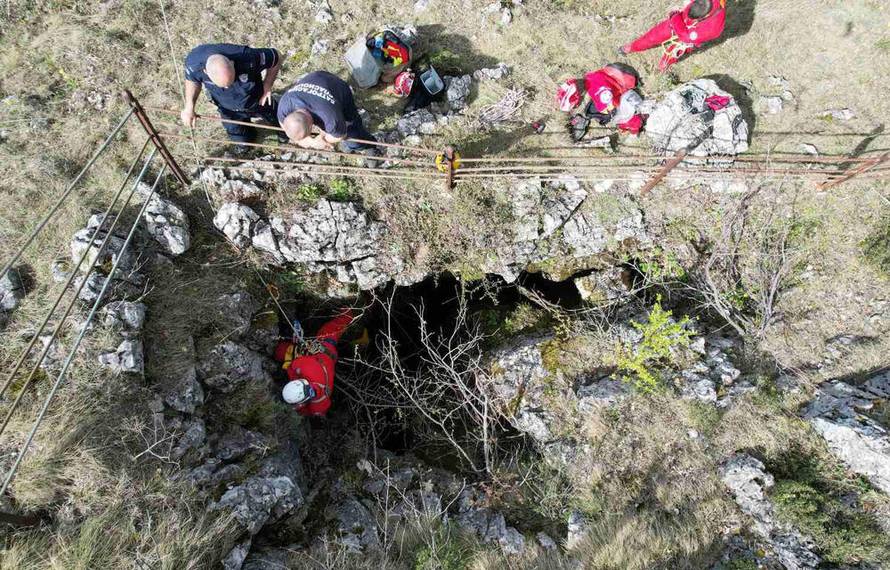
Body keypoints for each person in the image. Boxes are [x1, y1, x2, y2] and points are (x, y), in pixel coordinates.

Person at [181, 43, 284, 143]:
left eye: (230, 81)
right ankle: (246, 140)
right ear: (205, 71)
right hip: (227, 109)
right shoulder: (194, 65)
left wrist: (267, 86)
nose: (227, 87)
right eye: (222, 85)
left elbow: (277, 57)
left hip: (257, 99)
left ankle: (283, 133)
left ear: (232, 63)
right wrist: (189, 107)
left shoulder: (247, 56)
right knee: (241, 140)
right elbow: (192, 80)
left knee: (281, 122)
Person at [277, 71, 380, 161]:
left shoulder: (330, 117)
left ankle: (368, 145)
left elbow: (339, 135)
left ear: (310, 125)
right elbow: (283, 124)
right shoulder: (284, 104)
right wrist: (312, 142)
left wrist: (322, 140)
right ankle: (353, 144)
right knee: (334, 128)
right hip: (317, 77)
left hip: (338, 87)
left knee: (351, 130)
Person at [273, 309, 355, 418]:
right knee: (334, 328)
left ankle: (349, 313)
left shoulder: (319, 401)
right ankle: (349, 313)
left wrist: (300, 407)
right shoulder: (319, 403)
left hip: (325, 355)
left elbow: (292, 366)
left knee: (281, 351)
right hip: (326, 350)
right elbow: (294, 365)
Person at [619, 0, 727, 72]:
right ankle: (633, 47)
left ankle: (664, 64)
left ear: (705, 16)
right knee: (653, 36)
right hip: (681, 19)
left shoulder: (712, 28)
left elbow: (685, 37)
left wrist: (675, 17)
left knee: (674, 51)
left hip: (689, 35)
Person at [557, 63, 645, 137]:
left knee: (623, 120)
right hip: (617, 77)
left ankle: (639, 122)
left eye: (575, 105)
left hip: (627, 92)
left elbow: (610, 108)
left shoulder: (598, 93)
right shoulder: (589, 77)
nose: (577, 106)